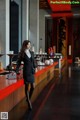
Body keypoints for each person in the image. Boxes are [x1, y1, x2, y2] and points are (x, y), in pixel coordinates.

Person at [16, 40, 37, 110]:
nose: (30, 46)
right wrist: (17, 69)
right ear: (25, 45)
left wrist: (35, 67)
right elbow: (18, 62)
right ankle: (28, 101)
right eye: (28, 44)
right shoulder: (22, 53)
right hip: (26, 71)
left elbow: (33, 61)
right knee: (27, 86)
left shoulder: (31, 52)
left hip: (31, 71)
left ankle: (28, 99)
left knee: (33, 86)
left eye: (30, 44)